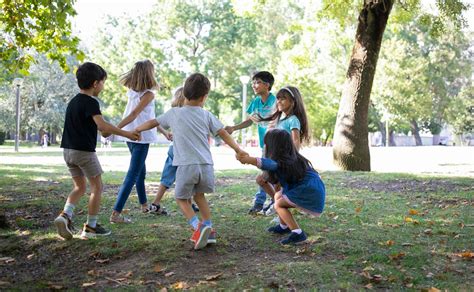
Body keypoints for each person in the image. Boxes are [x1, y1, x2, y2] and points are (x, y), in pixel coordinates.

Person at [135, 73, 246, 249]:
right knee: (199, 196)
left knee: (180, 198)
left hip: (186, 165)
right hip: (206, 166)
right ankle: (209, 228)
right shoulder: (206, 115)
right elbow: (223, 133)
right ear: (204, 97)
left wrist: (138, 129)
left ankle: (197, 227)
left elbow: (153, 122)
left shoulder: (174, 113)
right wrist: (238, 150)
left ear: (184, 94)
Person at [54, 62, 140, 240]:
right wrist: (126, 133)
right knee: (97, 187)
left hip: (68, 152)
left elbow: (100, 128)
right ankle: (91, 227)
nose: (103, 86)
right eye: (103, 82)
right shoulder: (91, 102)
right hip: (84, 153)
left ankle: (65, 215)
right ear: (95, 83)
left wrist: (109, 130)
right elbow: (102, 126)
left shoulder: (73, 102)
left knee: (79, 187)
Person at [236, 129, 325, 245]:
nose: (265, 148)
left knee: (279, 204)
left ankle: (298, 233)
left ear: (274, 147)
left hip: (308, 191)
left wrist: (249, 160)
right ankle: (284, 226)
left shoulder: (282, 162)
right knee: (278, 198)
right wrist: (264, 183)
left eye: (266, 145)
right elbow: (276, 191)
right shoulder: (290, 160)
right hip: (310, 189)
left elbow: (270, 164)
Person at [108, 60, 168, 223]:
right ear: (149, 73)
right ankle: (116, 213)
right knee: (133, 174)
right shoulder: (148, 94)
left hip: (130, 135)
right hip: (139, 136)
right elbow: (134, 114)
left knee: (141, 172)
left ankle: (144, 205)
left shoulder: (133, 92)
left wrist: (163, 131)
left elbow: (150, 117)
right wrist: (113, 129)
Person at [224, 71, 276, 215]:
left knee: (267, 173)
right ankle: (274, 200)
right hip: (264, 144)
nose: (254, 85)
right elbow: (249, 121)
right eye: (253, 82)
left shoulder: (276, 100)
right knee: (268, 173)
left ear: (267, 85)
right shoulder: (255, 102)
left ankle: (261, 202)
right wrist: (234, 128)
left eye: (257, 82)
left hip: (277, 144)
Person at [256, 85, 310, 216]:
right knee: (262, 180)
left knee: (275, 184)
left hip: (284, 161)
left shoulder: (293, 120)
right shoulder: (280, 119)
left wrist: (294, 158)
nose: (279, 101)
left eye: (283, 99)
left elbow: (296, 140)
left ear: (292, 102)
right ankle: (277, 203)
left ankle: (280, 210)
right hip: (274, 158)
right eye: (278, 98)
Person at [147, 87, 199, 215]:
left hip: (173, 149)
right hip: (184, 151)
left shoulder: (174, 113)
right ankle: (189, 203)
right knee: (188, 176)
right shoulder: (192, 114)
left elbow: (159, 123)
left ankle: (156, 203)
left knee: (167, 177)